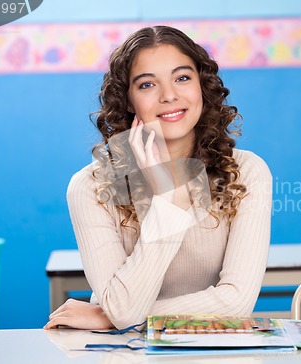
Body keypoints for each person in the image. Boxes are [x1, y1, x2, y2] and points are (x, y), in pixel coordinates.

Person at [44, 25, 272, 330]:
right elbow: (123, 312)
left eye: (182, 78)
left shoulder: (246, 172)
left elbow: (236, 301)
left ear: (202, 86)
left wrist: (111, 317)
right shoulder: (91, 186)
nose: (169, 95)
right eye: (147, 84)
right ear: (127, 100)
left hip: (211, 347)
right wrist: (169, 199)